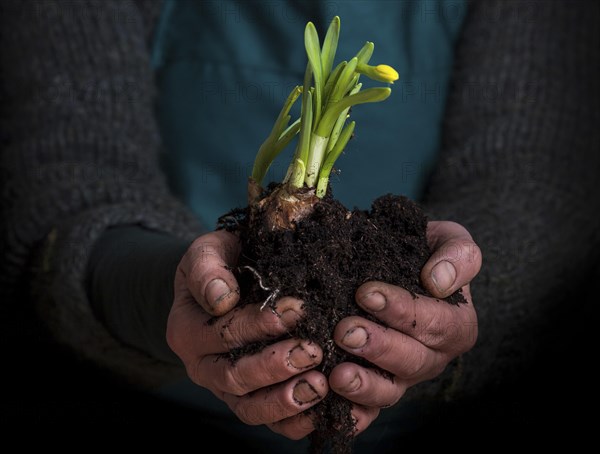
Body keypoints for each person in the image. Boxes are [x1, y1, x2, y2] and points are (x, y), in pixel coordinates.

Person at [1, 0, 598, 446]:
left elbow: (540, 186)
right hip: (131, 401)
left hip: (431, 426)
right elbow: (60, 173)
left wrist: (446, 310)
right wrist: (167, 294)